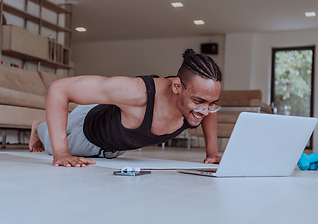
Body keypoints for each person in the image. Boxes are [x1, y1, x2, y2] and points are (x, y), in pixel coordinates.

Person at [29, 49, 222, 167]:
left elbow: (207, 110)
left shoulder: (198, 102)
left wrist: (212, 153)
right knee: (51, 144)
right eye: (199, 102)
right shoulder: (138, 92)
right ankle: (38, 128)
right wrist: (61, 152)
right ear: (177, 87)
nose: (205, 111)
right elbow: (57, 89)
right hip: (85, 132)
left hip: (112, 142)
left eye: (212, 103)